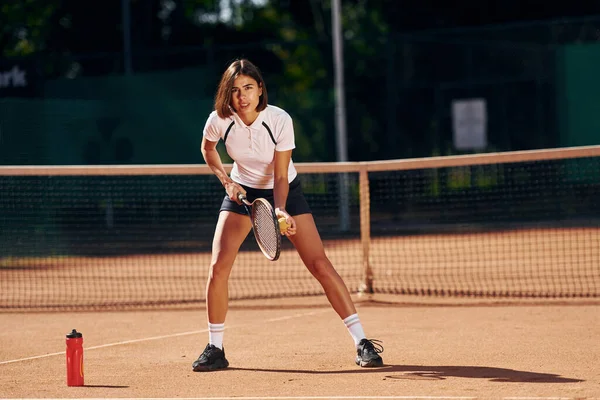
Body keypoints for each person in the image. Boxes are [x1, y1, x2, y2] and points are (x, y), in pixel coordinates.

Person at [192, 58, 384, 371]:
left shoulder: (279, 119)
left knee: (319, 263)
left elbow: (280, 176)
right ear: (228, 94)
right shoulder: (219, 120)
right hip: (242, 193)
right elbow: (208, 149)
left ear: (260, 89)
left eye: (249, 88)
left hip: (284, 191)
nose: (243, 95)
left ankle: (362, 342)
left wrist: (280, 210)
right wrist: (227, 181)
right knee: (217, 266)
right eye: (236, 89)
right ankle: (215, 348)